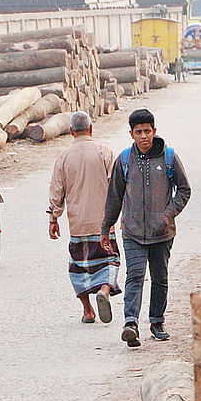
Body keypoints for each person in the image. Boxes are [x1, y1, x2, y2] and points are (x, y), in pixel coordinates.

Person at [101, 109, 191, 347]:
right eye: (139, 132)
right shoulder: (123, 160)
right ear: (131, 133)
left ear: (154, 131)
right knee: (135, 276)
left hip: (162, 232)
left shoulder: (169, 157)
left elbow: (184, 190)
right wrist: (106, 227)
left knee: (160, 277)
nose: (144, 137)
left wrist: (168, 214)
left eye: (147, 131)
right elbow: (114, 197)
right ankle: (130, 323)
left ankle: (157, 321)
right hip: (132, 231)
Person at [49, 111, 120, 324]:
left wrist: (54, 217)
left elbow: (56, 190)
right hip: (104, 223)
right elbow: (117, 186)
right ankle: (105, 291)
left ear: (71, 131)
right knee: (110, 261)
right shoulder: (105, 151)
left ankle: (88, 310)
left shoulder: (63, 157)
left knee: (78, 267)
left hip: (77, 224)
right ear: (91, 129)